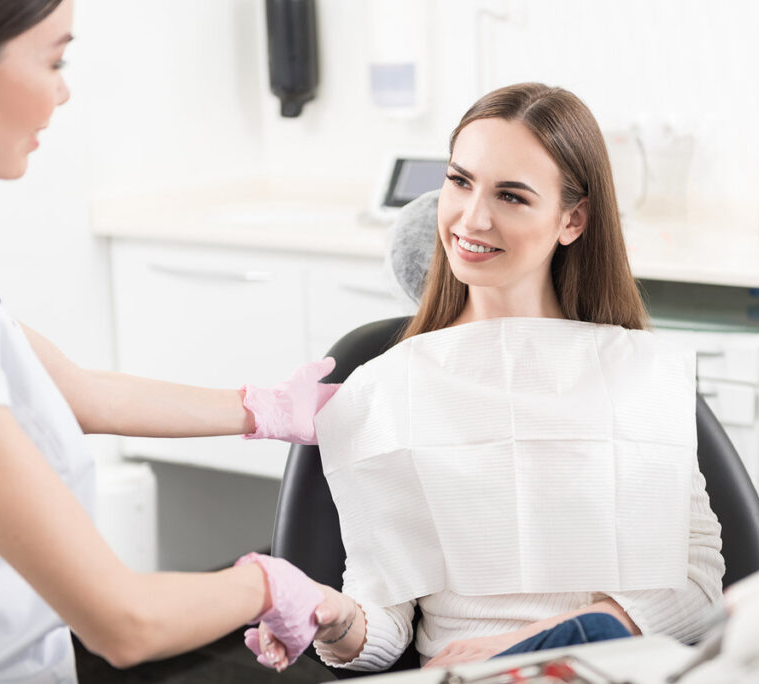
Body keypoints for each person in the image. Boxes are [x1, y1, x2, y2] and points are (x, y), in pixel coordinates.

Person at [250, 83, 726, 672]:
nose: (472, 218)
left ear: (572, 220)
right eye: (459, 181)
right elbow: (384, 624)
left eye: (511, 196)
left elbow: (697, 584)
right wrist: (333, 616)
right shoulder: (389, 385)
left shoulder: (635, 374)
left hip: (610, 664)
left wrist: (537, 641)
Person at [0, 1, 338, 681]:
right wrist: (271, 585)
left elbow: (75, 393)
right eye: (54, 60)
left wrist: (266, 408)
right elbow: (123, 622)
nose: (64, 90)